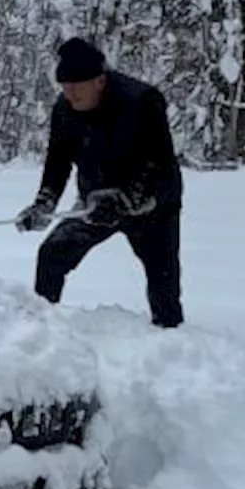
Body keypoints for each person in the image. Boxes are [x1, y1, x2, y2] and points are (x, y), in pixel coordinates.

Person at [14, 37, 184, 328]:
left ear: (100, 81)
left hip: (153, 206)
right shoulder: (64, 109)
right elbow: (58, 163)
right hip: (92, 205)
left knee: (162, 280)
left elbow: (160, 163)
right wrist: (45, 202)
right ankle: (40, 329)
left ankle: (172, 341)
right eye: (65, 88)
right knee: (52, 254)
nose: (70, 95)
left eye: (76, 87)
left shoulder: (142, 101)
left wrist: (127, 200)